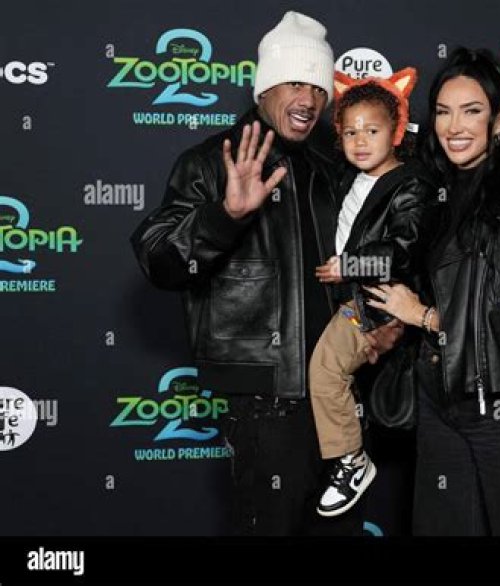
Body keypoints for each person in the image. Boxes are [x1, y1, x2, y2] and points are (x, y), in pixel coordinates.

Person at [131, 11, 402, 536]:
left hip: (340, 393)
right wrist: (224, 217)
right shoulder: (213, 161)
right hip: (265, 403)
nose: (309, 99)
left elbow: (371, 256)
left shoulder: (336, 166)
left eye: (318, 88)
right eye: (295, 82)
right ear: (265, 88)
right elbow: (157, 258)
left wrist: (382, 323)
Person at [365, 47, 500, 536]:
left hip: (497, 409)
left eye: (471, 111)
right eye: (443, 111)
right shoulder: (433, 192)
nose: (454, 126)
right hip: (438, 400)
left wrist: (422, 316)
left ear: (499, 122)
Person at [309, 68, 437, 517]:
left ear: (396, 131)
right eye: (350, 132)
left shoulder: (412, 184)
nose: (360, 141)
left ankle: (351, 461)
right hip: (350, 300)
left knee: (325, 371)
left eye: (372, 131)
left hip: (379, 305)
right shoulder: (350, 177)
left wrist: (352, 264)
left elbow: (404, 250)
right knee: (334, 377)